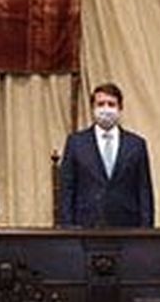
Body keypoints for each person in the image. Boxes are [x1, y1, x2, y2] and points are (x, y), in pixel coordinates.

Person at [56, 83, 154, 228]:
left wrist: (146, 230)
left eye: (111, 104)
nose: (106, 109)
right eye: (100, 104)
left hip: (127, 228)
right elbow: (67, 189)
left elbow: (144, 191)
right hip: (85, 228)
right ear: (93, 108)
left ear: (120, 108)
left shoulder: (136, 145)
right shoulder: (76, 143)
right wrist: (67, 227)